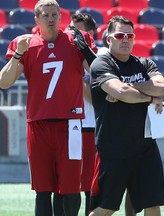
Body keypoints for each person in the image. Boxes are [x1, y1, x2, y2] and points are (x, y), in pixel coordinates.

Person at [0, 0, 97, 215]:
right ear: (37, 19)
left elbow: (97, 73)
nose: (51, 19)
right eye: (46, 15)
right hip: (39, 124)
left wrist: (87, 51)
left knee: (70, 190)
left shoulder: (75, 40)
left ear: (60, 17)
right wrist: (18, 54)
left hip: (71, 123)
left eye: (55, 14)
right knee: (43, 190)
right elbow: (4, 82)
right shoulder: (25, 43)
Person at [88, 15, 164, 216]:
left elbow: (161, 87)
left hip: (145, 146)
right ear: (109, 39)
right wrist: (150, 98)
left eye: (129, 36)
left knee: (153, 204)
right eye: (120, 35)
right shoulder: (101, 64)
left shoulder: (144, 63)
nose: (125, 39)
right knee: (106, 208)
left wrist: (131, 87)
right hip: (113, 148)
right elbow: (122, 93)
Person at [53, 12, 98, 216]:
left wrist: (76, 75)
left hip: (90, 126)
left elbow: (96, 97)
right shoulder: (65, 52)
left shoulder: (101, 56)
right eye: (70, 30)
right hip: (66, 123)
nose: (71, 35)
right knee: (62, 184)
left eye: (76, 31)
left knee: (90, 185)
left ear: (90, 33)